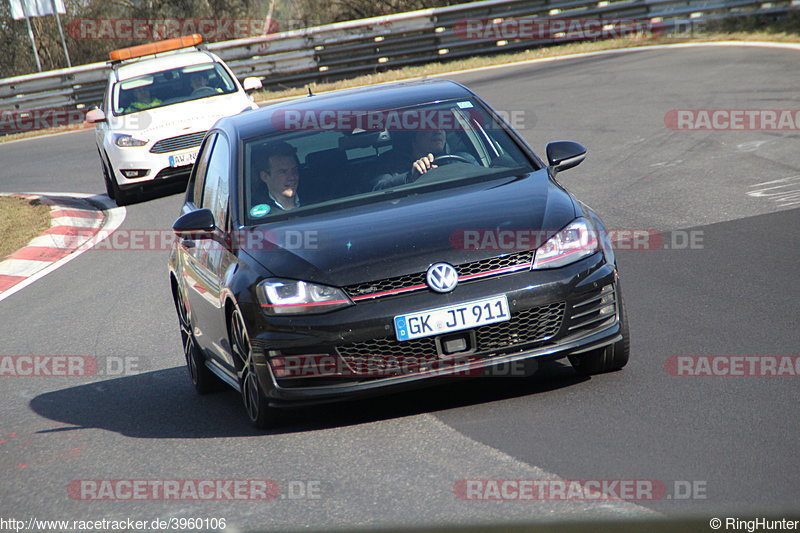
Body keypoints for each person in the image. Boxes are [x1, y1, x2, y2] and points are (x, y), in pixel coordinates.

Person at [372, 129, 477, 190]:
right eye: (429, 126)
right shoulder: (387, 167)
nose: (438, 131)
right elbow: (379, 189)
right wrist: (410, 178)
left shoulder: (463, 160)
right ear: (411, 135)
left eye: (441, 125)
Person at [252, 141, 301, 213]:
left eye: (294, 170)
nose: (292, 177)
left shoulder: (316, 200)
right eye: (283, 172)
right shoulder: (256, 213)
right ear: (265, 177)